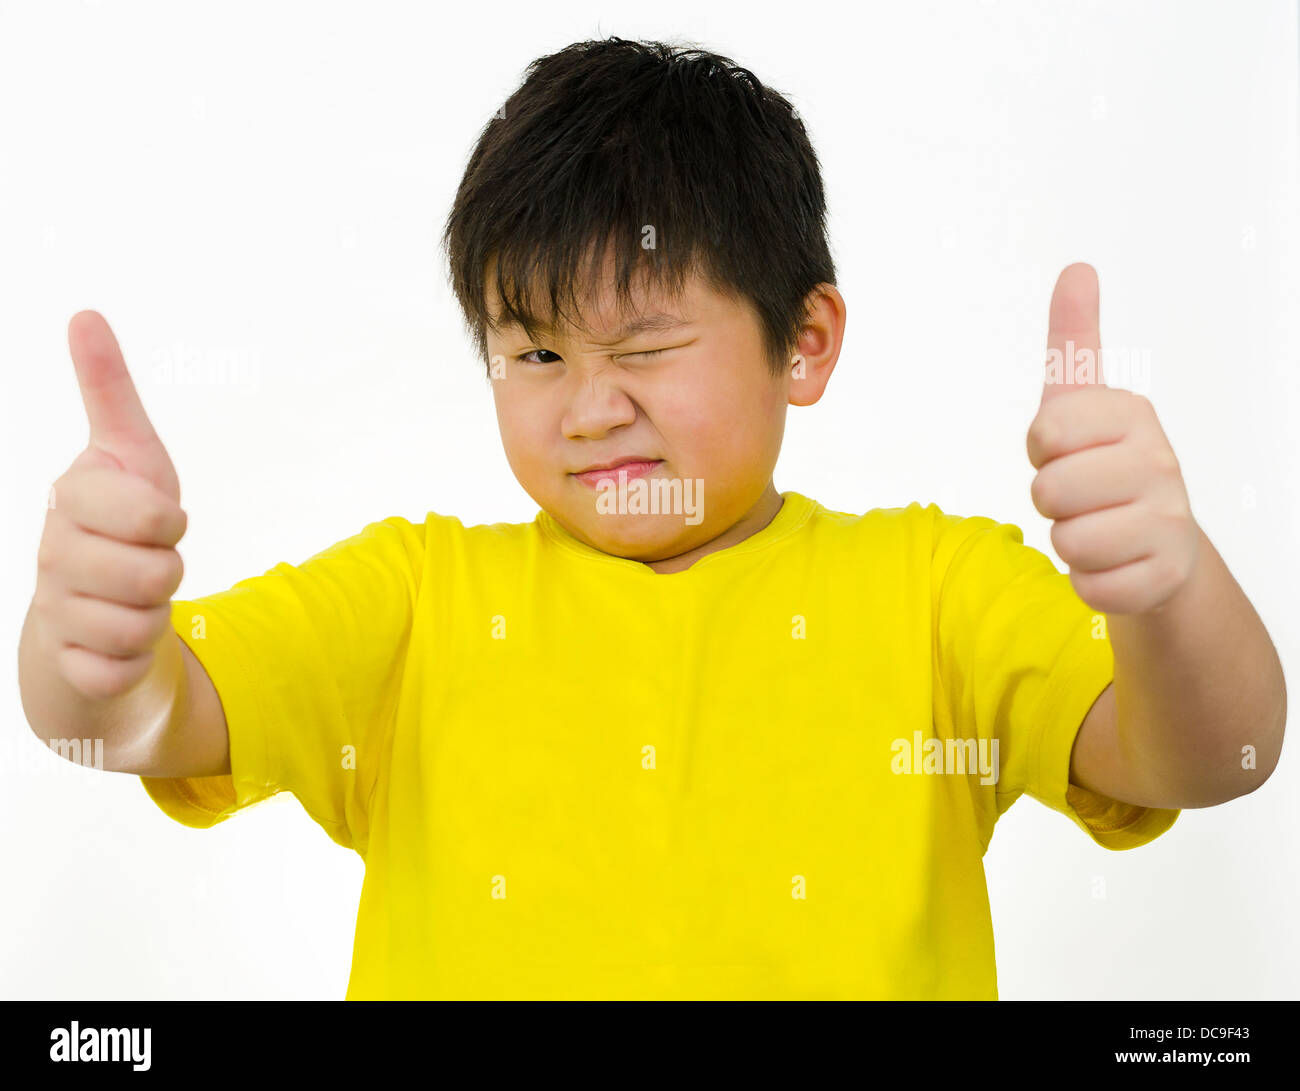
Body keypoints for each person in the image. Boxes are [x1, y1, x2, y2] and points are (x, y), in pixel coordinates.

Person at [18, 36, 1285, 1000]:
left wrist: (1167, 591)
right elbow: (141, 720)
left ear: (804, 339)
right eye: (534, 356)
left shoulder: (935, 585)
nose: (587, 410)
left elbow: (1209, 757)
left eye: (647, 344)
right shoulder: (416, 597)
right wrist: (95, 656)